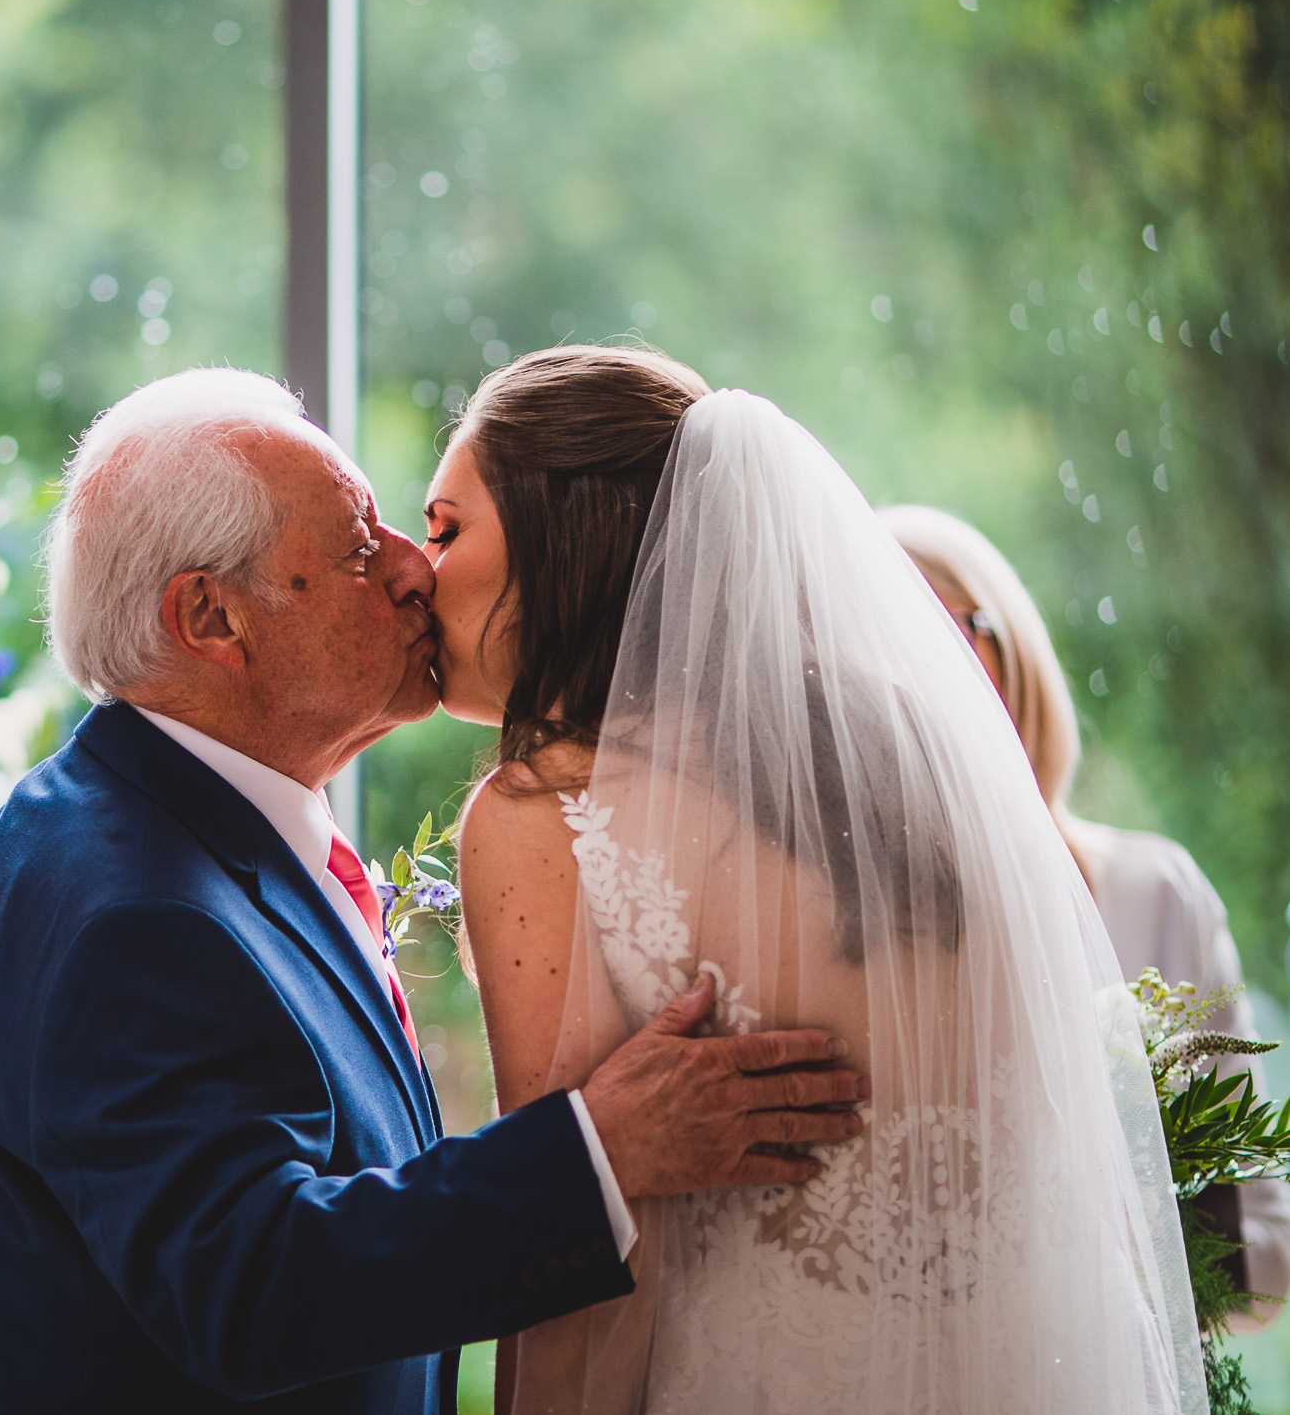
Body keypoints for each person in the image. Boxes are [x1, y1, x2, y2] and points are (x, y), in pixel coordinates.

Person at [0, 368, 872, 1415]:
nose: (417, 571)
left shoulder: (186, 831)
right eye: (362, 547)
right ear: (210, 615)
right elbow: (248, 1283)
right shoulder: (125, 907)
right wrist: (599, 1150)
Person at [435, 346, 1201, 1414]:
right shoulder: (913, 763)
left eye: (445, 527)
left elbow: (587, 1252)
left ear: (562, 535)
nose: (417, 570)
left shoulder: (545, 815)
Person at [884, 501, 1290, 1329]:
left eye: (949, 626)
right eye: (883, 638)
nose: (926, 667)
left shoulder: (1154, 893)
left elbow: (1262, 1252)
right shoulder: (837, 934)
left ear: (1013, 649)